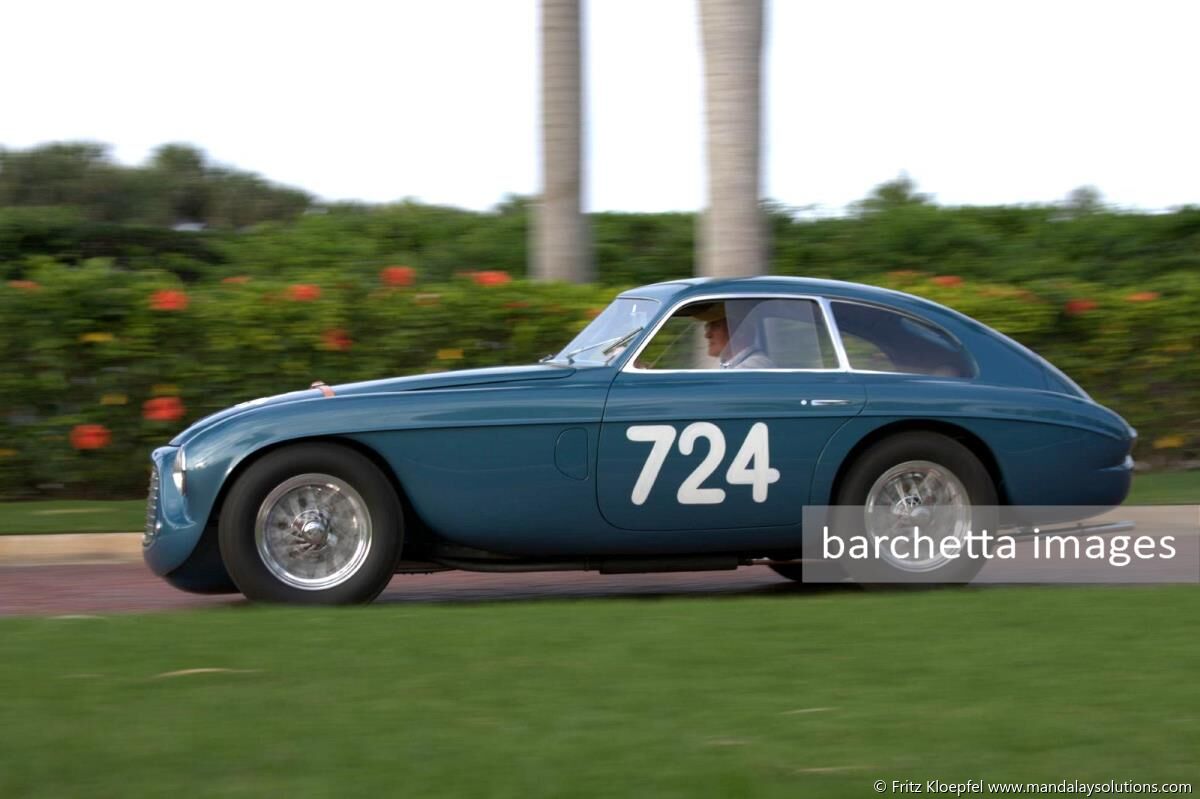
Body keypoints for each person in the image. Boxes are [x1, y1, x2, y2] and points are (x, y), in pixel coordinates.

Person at [694, 303, 775, 369]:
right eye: (707, 327)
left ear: (740, 331)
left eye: (716, 326)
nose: (707, 335)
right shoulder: (734, 365)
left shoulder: (752, 366)